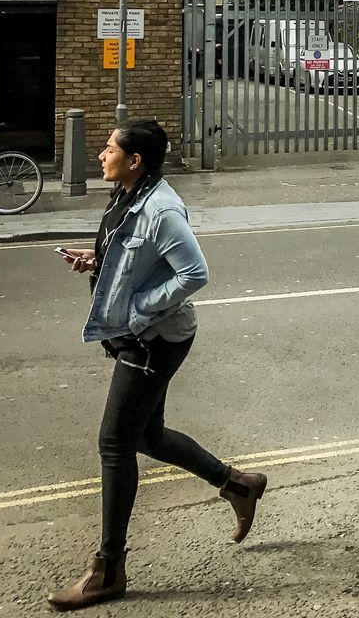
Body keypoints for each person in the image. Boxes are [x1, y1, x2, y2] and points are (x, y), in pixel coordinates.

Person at [47, 119, 267, 611]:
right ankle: (238, 485)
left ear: (135, 159)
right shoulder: (129, 195)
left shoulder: (162, 208)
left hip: (154, 339)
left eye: (109, 148)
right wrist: (97, 260)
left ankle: (109, 569)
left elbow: (194, 272)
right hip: (140, 335)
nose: (102, 154)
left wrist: (142, 308)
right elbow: (135, 256)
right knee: (146, 435)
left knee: (114, 443)